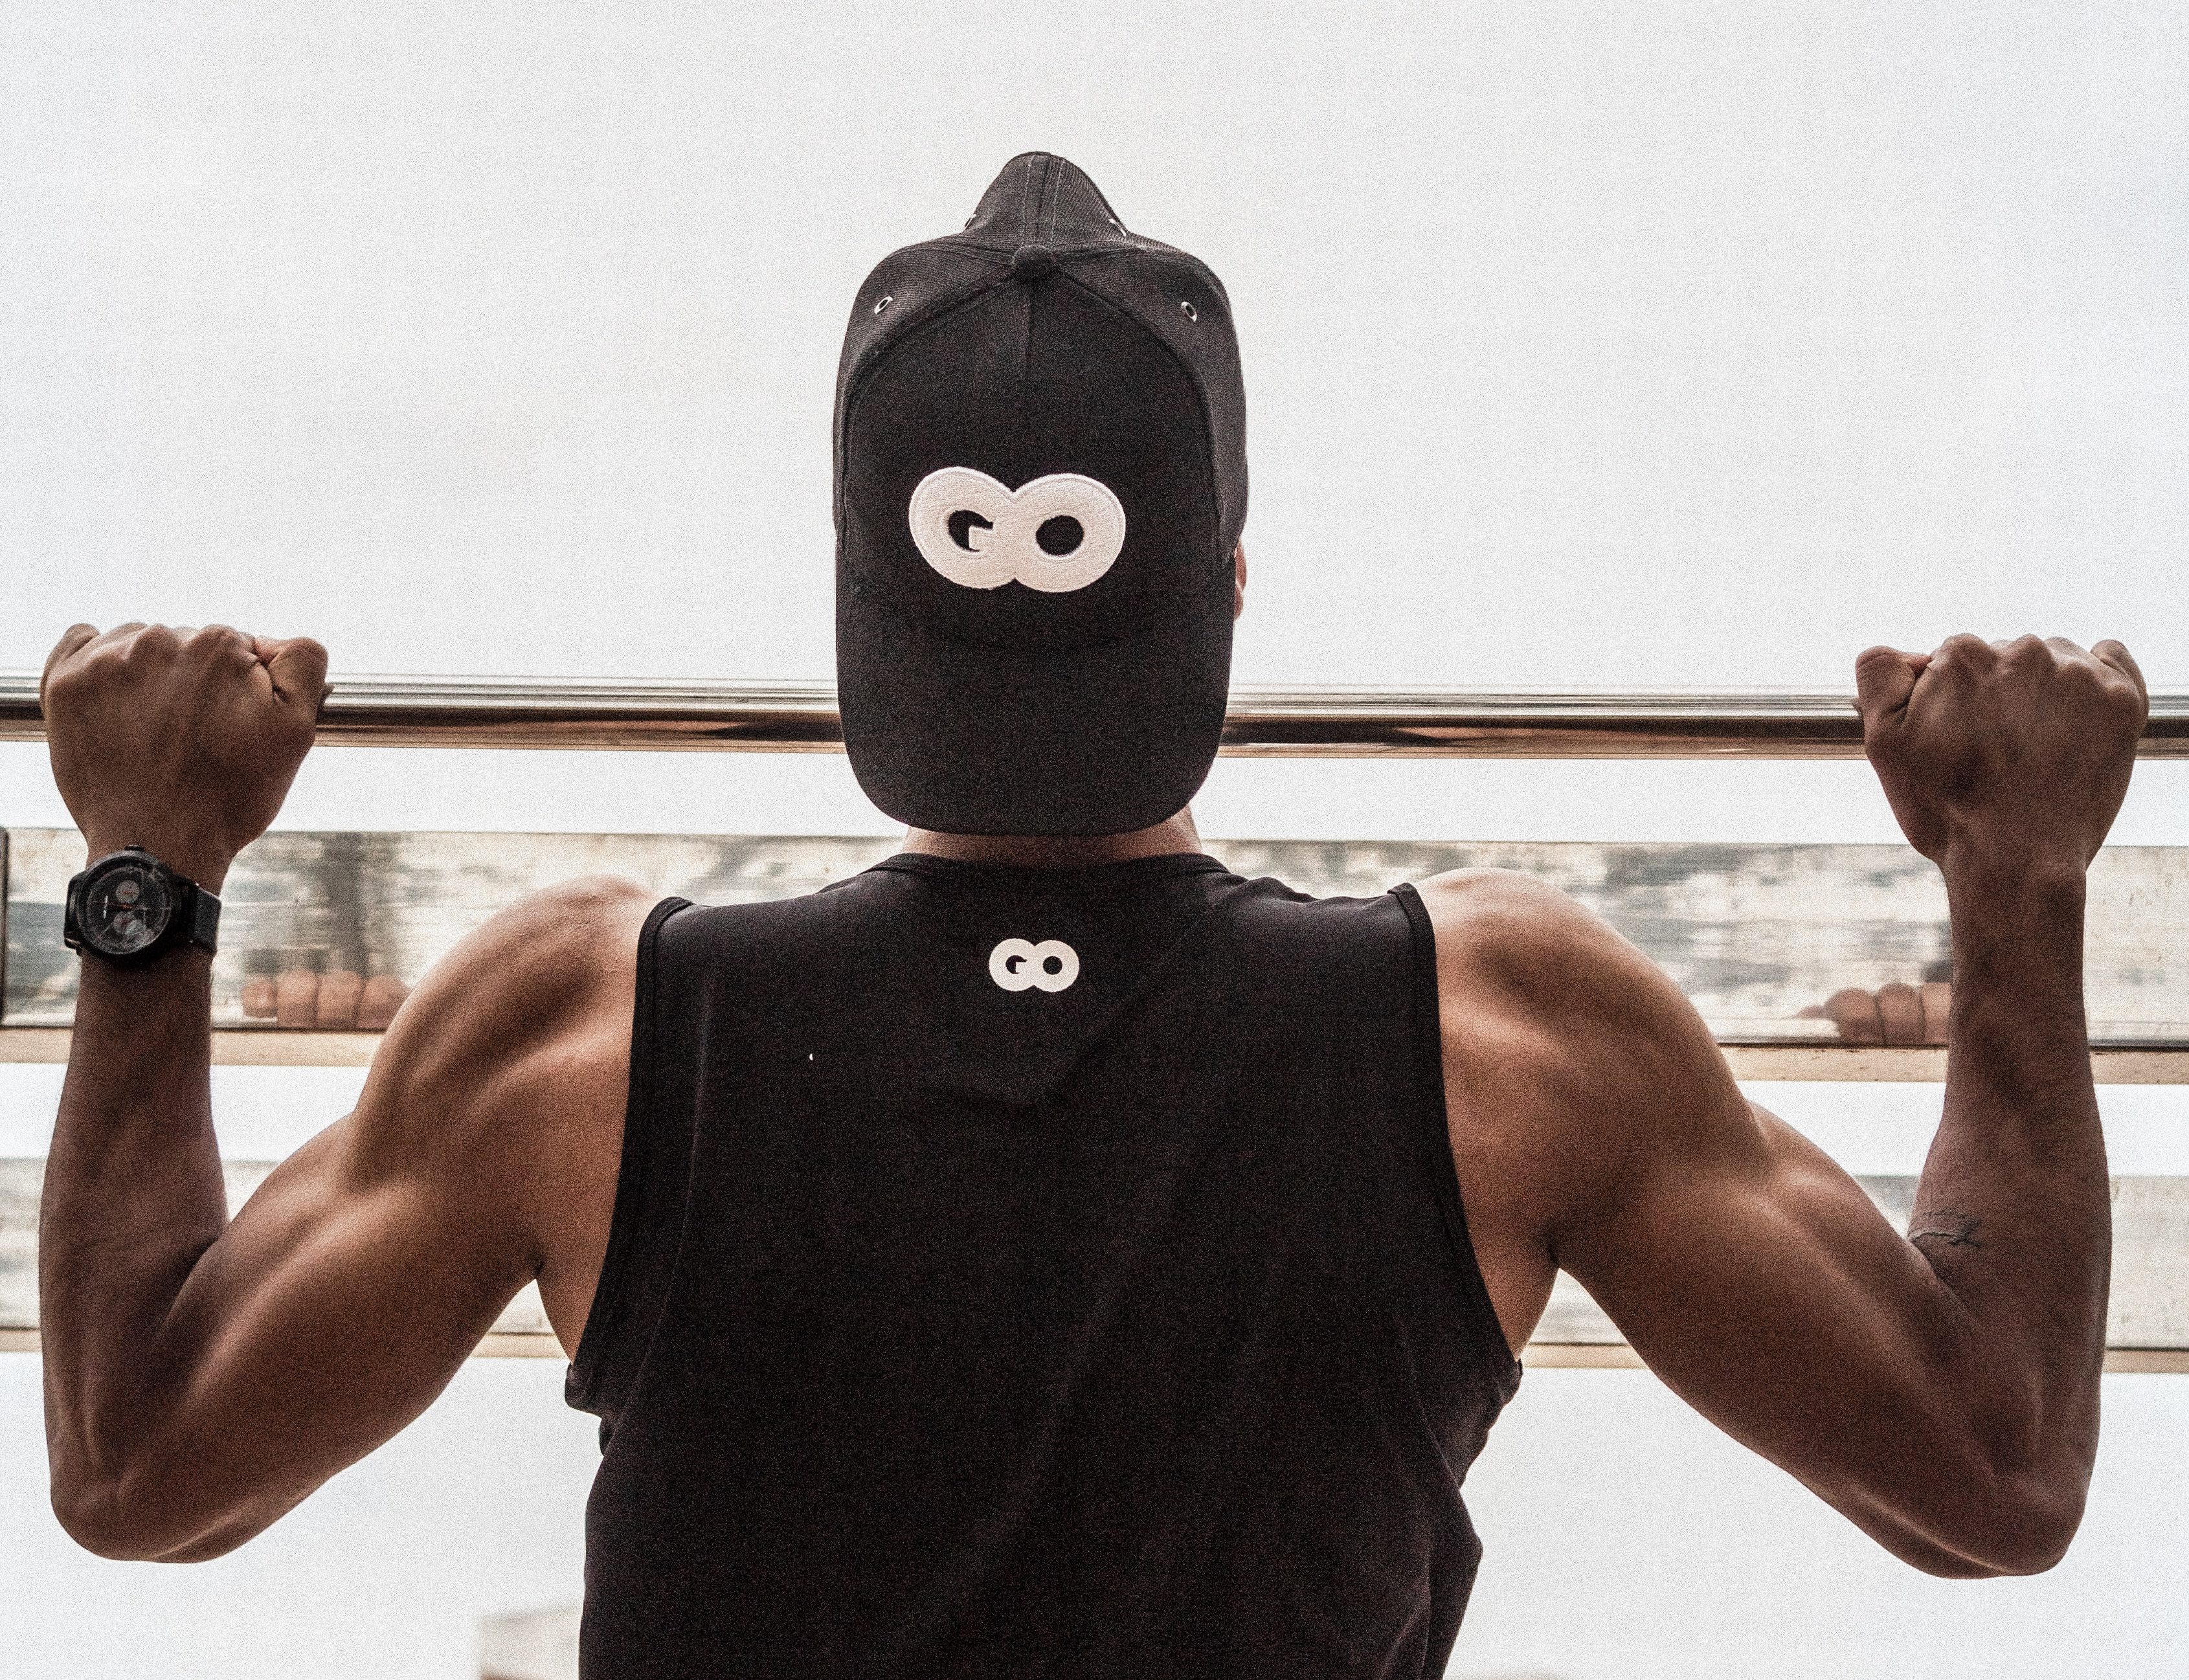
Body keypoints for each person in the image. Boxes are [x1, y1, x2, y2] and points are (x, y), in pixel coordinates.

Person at [35, 155, 2149, 1677]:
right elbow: (1995, 1473)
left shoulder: (574, 1028)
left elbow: (141, 1467)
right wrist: (2017, 887)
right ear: (1226, 582)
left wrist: (154, 870)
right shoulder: (1506, 1031)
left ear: (861, 596)